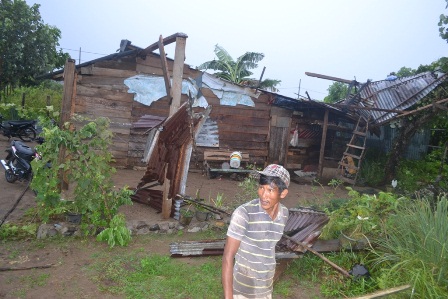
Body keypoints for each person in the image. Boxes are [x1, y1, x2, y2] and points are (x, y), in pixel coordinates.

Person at [222, 164, 290, 299]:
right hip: (241, 291)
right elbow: (227, 258)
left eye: (270, 190)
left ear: (282, 193)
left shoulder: (284, 214)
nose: (263, 195)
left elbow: (267, 249)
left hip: (265, 290)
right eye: (261, 188)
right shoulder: (244, 214)